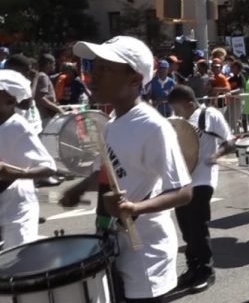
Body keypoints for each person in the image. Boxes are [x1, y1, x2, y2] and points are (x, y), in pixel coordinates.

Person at [60, 35, 192, 303]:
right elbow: (109, 172)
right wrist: (80, 187)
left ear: (134, 80)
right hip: (114, 245)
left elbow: (183, 191)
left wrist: (136, 209)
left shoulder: (152, 126)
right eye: (92, 67)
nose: (93, 76)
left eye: (105, 69)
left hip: (145, 253)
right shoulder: (111, 122)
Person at [168, 85, 235, 293]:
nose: (176, 113)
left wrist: (216, 155)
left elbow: (230, 142)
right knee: (187, 230)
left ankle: (206, 271)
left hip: (203, 179)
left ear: (189, 103)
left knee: (198, 228)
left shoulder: (209, 114)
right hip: (182, 182)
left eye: (178, 109)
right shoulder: (179, 122)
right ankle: (193, 268)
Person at [0, 70, 57, 249]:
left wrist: (15, 173)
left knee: (18, 263)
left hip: (16, 207)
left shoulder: (18, 126)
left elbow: (48, 167)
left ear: (10, 100)